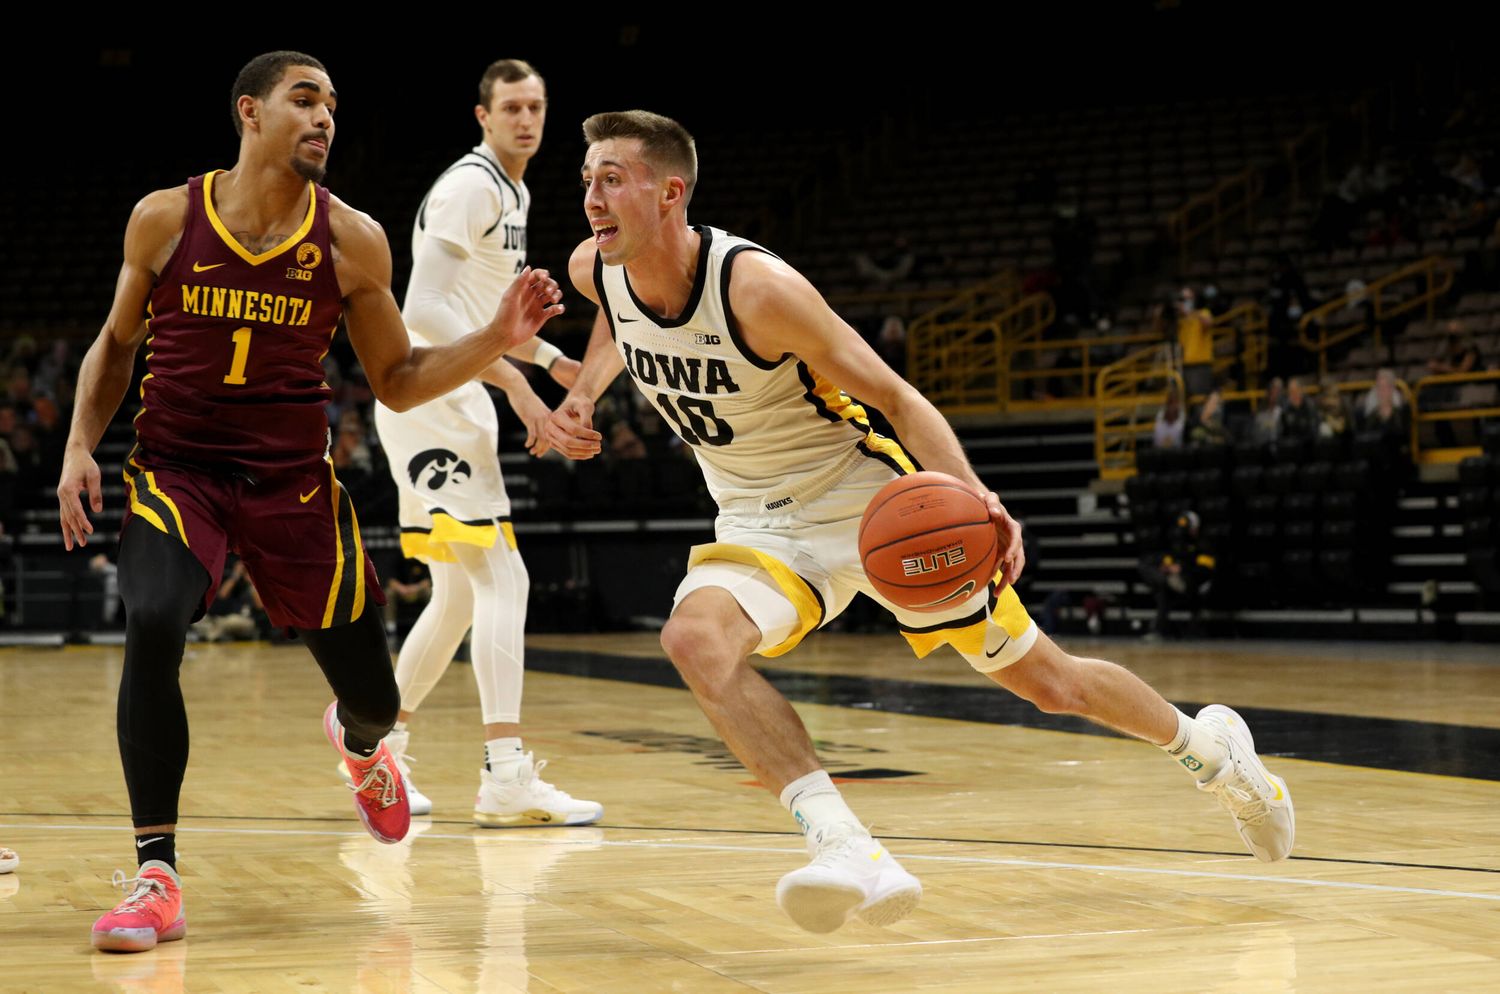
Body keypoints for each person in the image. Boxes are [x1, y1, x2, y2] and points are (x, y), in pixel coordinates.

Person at [547, 111, 1295, 934]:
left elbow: (898, 398)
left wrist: (980, 498)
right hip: (755, 518)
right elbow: (620, 316)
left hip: (867, 504)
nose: (592, 196)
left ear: (670, 190)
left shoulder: (758, 290)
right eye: (587, 178)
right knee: (694, 640)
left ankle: (1215, 754)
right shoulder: (597, 268)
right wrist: (583, 390)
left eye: (611, 177)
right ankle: (847, 849)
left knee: (1051, 685)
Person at [55, 51, 563, 954]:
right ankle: (157, 874)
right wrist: (77, 448)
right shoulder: (165, 218)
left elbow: (400, 382)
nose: (325, 116)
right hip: (181, 471)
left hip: (295, 487)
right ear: (249, 113)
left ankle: (363, 746)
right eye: (305, 99)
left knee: (371, 698)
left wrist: (497, 338)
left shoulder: (353, 239)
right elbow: (114, 344)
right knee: (155, 619)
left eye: (333, 102)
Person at [363, 58, 601, 827]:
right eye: (511, 108)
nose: (526, 120)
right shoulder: (471, 187)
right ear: (483, 115)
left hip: (451, 395)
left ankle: (377, 748)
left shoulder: (514, 190)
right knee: (507, 578)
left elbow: (483, 317)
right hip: (435, 395)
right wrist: (522, 388)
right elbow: (424, 308)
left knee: (462, 593)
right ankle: (504, 773)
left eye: (536, 106)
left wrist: (554, 362)